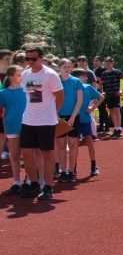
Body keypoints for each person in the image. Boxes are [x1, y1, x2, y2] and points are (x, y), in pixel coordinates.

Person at [17, 46, 64, 200]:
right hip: (28, 120)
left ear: (41, 58)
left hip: (46, 121)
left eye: (33, 58)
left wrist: (52, 114)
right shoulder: (25, 74)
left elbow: (60, 97)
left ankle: (48, 186)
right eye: (27, 58)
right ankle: (34, 183)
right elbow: (30, 97)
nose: (30, 61)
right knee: (26, 152)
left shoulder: (50, 75)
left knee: (47, 153)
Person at [55, 59, 84, 183]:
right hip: (58, 116)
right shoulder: (55, 81)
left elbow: (79, 100)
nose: (67, 69)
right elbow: (51, 99)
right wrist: (56, 115)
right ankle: (63, 171)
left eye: (69, 67)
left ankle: (71, 171)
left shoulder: (76, 81)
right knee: (61, 145)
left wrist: (73, 117)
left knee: (72, 144)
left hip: (73, 116)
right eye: (64, 67)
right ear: (59, 68)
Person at [1, 66, 27, 195]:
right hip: (12, 126)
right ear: (11, 77)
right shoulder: (3, 93)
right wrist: (5, 130)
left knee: (28, 155)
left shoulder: (27, 91)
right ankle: (17, 181)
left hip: (28, 125)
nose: (22, 77)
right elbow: (4, 112)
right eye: (19, 75)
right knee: (15, 156)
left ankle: (29, 181)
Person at [71, 68, 102, 178]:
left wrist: (93, 107)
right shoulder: (71, 89)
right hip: (74, 120)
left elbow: (101, 97)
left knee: (89, 141)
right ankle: (73, 167)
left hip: (85, 119)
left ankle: (93, 165)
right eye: (83, 76)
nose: (86, 78)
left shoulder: (88, 88)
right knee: (74, 143)